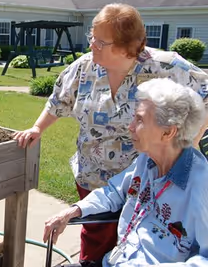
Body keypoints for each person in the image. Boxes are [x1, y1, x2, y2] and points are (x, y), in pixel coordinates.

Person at [13, 3, 208, 264]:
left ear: (127, 47)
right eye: (91, 37)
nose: (92, 44)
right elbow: (59, 100)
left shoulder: (166, 67)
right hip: (93, 178)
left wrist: (188, 143)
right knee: (97, 244)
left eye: (100, 41)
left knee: (150, 242)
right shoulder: (85, 68)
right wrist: (37, 127)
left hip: (149, 181)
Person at [43, 78, 208, 266]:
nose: (130, 127)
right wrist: (73, 211)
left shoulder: (200, 186)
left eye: (140, 120)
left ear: (167, 133)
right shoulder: (147, 160)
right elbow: (113, 192)